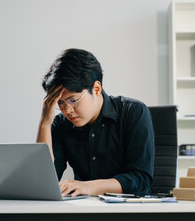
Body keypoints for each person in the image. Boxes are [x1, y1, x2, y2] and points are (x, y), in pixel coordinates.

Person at [36, 48, 154, 197]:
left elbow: (141, 180)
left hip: (130, 210)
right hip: (84, 210)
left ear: (96, 89)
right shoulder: (61, 124)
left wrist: (91, 187)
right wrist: (45, 122)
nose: (67, 110)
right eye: (60, 103)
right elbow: (43, 182)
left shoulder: (134, 113)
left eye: (73, 100)